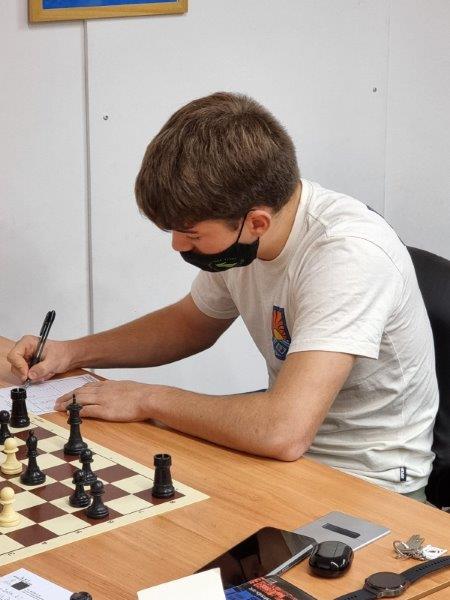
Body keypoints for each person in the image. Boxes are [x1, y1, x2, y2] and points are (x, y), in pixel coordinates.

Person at [7, 92, 438, 499]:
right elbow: (189, 324)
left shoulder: (347, 255)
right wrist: (71, 351)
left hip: (368, 481)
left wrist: (146, 398)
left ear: (256, 223)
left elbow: (282, 431)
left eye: (191, 234)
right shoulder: (248, 232)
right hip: (283, 457)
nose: (177, 245)